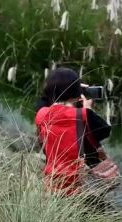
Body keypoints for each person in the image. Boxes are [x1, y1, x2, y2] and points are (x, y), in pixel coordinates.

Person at [35, 67, 114, 197]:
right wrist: (87, 108)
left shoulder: (42, 115)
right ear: (76, 92)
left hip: (52, 183)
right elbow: (105, 131)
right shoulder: (82, 115)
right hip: (79, 186)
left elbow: (43, 102)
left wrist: (56, 91)